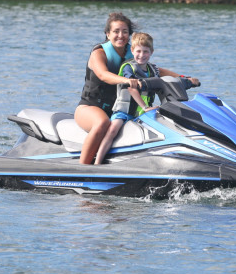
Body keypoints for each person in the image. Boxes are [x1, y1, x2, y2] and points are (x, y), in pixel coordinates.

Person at [75, 13, 199, 165]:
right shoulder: (99, 53)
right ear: (108, 34)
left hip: (122, 108)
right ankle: (85, 168)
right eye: (116, 31)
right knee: (102, 123)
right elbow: (103, 75)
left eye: (125, 32)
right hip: (90, 107)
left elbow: (158, 71)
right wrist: (128, 81)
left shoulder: (133, 52)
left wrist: (184, 78)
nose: (121, 35)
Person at [93, 32, 160, 165]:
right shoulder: (128, 68)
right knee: (112, 130)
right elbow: (131, 88)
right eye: (138, 51)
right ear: (132, 51)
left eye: (145, 51)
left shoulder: (153, 70)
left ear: (151, 52)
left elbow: (161, 87)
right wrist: (145, 107)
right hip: (124, 111)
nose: (142, 55)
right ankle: (97, 163)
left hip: (141, 113)